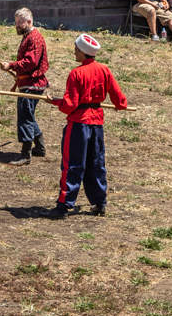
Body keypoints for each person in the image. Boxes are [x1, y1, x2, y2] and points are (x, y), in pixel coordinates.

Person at [46, 33, 128, 219]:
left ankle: (64, 204)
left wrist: (57, 102)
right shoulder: (104, 70)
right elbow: (118, 97)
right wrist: (120, 105)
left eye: (76, 49)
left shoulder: (77, 73)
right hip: (97, 123)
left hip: (79, 124)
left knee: (73, 164)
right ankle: (99, 202)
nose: (74, 52)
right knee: (96, 163)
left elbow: (70, 105)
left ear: (83, 52)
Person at [3, 8, 50, 166]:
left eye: (19, 23)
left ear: (29, 21)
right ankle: (40, 147)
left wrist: (11, 65)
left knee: (25, 117)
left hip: (32, 84)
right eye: (16, 23)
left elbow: (31, 63)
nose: (17, 26)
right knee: (28, 115)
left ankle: (26, 154)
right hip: (28, 83)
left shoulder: (34, 38)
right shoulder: (28, 37)